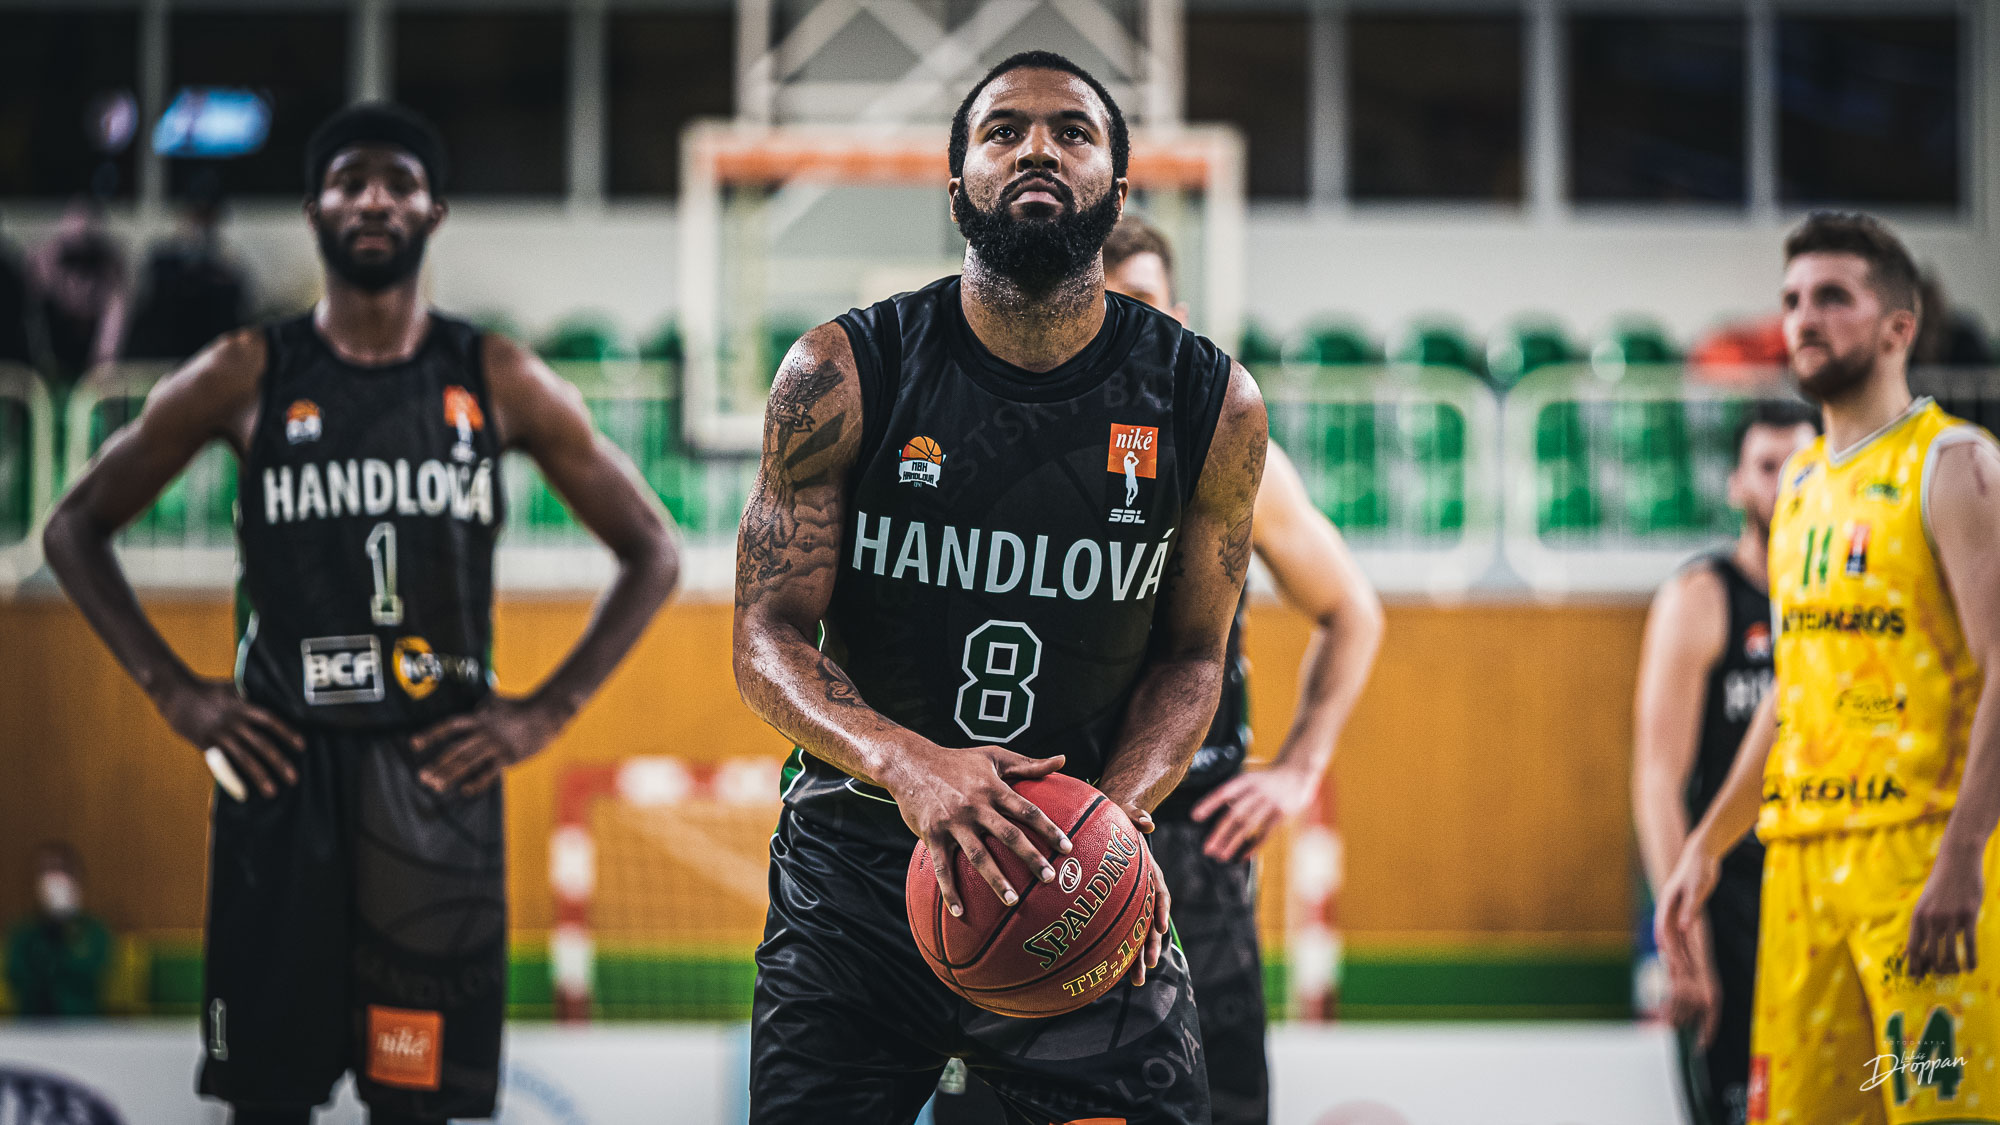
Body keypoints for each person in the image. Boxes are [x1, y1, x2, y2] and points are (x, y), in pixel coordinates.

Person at [41, 103, 680, 1124]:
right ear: (314, 210)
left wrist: (544, 711)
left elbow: (653, 548)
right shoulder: (247, 370)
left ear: (434, 210)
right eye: (350, 181)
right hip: (279, 774)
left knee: (416, 1106)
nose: (374, 199)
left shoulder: (496, 376)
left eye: (398, 182)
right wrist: (176, 694)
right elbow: (74, 527)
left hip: (434, 781)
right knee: (267, 1103)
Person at [732, 51, 1267, 1125]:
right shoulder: (842, 372)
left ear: (1117, 189)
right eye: (1002, 131)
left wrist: (1117, 817)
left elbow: (1193, 656)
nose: (1036, 149)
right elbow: (764, 634)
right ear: (955, 188)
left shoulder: (1209, 402)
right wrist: (908, 763)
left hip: (1076, 880)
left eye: (1072, 132)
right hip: (857, 879)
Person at [936, 213, 1382, 1125]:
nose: (1123, 322)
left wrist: (1299, 766)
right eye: (1103, 302)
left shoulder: (1226, 447)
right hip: (1025, 835)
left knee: (1215, 1109)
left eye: (1142, 301)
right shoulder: (997, 443)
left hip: (1186, 837)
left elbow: (1352, 611)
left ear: (1177, 315)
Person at [1657, 212, 2000, 1123]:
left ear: (1899, 327)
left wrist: (1963, 855)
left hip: (1922, 858)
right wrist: (1704, 846)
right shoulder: (1801, 486)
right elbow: (1792, 692)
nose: (1804, 317)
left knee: (1940, 1110)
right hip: (1801, 869)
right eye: (1793, 299)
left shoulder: (1956, 466)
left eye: (1833, 296)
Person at [1631, 400, 1818, 1125]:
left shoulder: (1846, 596)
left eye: (1801, 466)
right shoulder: (1703, 597)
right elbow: (1658, 779)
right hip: (1729, 896)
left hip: (1826, 889)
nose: (1785, 483)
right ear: (1737, 482)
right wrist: (1687, 937)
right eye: (1768, 466)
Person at [126, 169, 252, 361]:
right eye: (197, 215)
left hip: (208, 357)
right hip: (165, 357)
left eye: (208, 216)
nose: (201, 225)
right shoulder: (162, 261)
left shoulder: (227, 270)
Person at [25, 198, 129, 393]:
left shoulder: (108, 265)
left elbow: (115, 315)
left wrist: (103, 360)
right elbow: (32, 315)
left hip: (92, 349)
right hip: (55, 351)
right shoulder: (48, 259)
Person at [4, 842, 112, 1017]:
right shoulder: (23, 934)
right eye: (46, 871)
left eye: (62, 869)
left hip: (82, 1025)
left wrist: (66, 928)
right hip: (33, 1026)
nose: (54, 880)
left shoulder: (95, 932)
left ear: (77, 879)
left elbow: (91, 977)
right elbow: (19, 980)